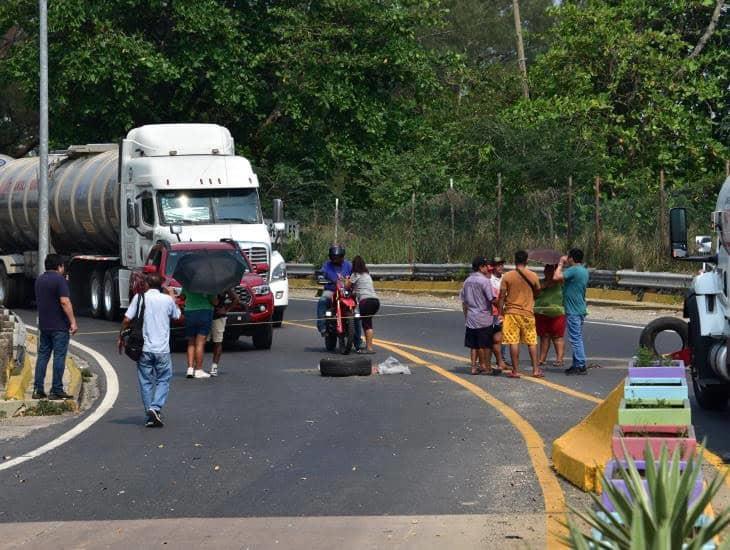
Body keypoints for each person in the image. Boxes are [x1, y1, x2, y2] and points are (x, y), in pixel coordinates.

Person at [118, 273, 180, 427]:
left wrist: (120, 336)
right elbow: (177, 316)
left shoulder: (139, 298)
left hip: (143, 348)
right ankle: (155, 407)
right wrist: (172, 297)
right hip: (162, 349)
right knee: (164, 379)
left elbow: (127, 319)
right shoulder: (167, 300)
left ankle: (150, 413)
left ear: (146, 284)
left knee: (145, 381)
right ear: (161, 286)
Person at [32, 254, 77, 400]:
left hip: (44, 325)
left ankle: (38, 389)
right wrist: (73, 322)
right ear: (59, 266)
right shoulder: (59, 280)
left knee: (43, 356)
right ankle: (56, 389)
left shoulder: (39, 280)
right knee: (59, 357)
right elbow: (64, 302)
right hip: (59, 326)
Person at [499, 250, 542, 378]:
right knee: (532, 341)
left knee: (513, 341)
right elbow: (538, 292)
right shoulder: (533, 276)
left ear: (514, 260)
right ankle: (535, 370)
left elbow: (501, 296)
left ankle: (515, 371)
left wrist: (501, 312)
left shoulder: (507, 276)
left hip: (511, 312)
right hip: (528, 313)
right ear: (526, 261)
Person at [554, 248, 589, 375]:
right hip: (580, 308)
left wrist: (560, 264)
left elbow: (556, 277)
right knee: (577, 337)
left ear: (572, 258)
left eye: (568, 257)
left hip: (573, 310)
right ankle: (576, 364)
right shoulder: (584, 271)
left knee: (575, 339)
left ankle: (580, 364)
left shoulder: (573, 270)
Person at [460, 257, 497, 375]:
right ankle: (485, 366)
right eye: (486, 266)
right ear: (481, 267)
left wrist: (466, 316)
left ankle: (473, 367)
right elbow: (491, 298)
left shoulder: (467, 281)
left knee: (473, 345)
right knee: (484, 344)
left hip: (471, 316)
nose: (488, 268)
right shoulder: (484, 281)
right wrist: (502, 307)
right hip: (483, 317)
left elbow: (464, 301)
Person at [534, 264, 565, 368]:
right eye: (546, 269)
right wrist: (546, 284)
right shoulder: (540, 282)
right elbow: (536, 292)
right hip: (541, 312)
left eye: (550, 270)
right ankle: (542, 359)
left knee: (557, 337)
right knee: (544, 336)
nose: (547, 271)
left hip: (557, 312)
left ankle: (559, 359)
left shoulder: (560, 281)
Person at [316, 245, 352, 335]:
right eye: (333, 256)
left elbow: (355, 275)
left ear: (342, 256)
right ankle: (322, 327)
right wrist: (320, 277)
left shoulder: (348, 265)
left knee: (356, 312)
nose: (335, 259)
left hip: (346, 291)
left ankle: (358, 341)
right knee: (322, 300)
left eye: (338, 257)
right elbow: (321, 273)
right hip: (331, 290)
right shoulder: (327, 265)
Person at [182, 289, 218, 379]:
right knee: (200, 342)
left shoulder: (188, 284)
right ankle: (198, 369)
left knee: (191, 342)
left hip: (189, 312)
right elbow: (215, 302)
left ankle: (190, 368)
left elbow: (182, 296)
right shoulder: (208, 285)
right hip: (204, 312)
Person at [349, 256, 380, 354]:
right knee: (367, 324)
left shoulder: (355, 274)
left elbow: (346, 285)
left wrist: (344, 279)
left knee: (354, 319)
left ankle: (365, 346)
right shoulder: (367, 275)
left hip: (365, 301)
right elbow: (360, 289)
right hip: (375, 301)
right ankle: (368, 346)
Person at [209, 288, 240, 377]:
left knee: (218, 341)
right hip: (205, 314)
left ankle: (214, 367)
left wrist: (226, 310)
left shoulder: (224, 286)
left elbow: (236, 298)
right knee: (201, 342)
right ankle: (198, 367)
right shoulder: (205, 284)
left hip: (219, 316)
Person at [487, 257, 508, 371]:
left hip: (504, 311)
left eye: (501, 265)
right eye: (498, 265)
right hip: (493, 312)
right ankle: (488, 360)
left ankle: (502, 359)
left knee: (503, 337)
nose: (500, 267)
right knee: (493, 337)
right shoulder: (490, 279)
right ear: (493, 266)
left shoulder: (506, 278)